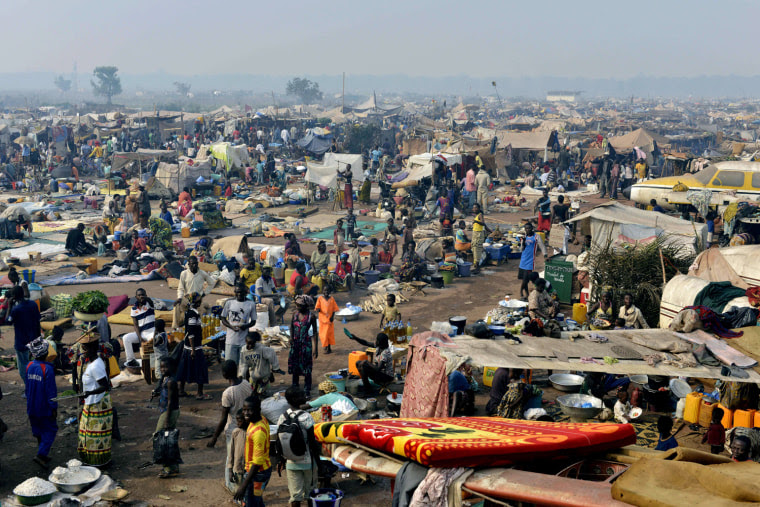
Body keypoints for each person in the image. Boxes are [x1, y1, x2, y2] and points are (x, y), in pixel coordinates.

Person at [208, 360, 254, 490]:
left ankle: (231, 486)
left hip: (233, 429)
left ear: (224, 375)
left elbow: (223, 419)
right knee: (244, 456)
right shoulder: (246, 383)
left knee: (232, 459)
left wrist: (214, 438)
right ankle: (246, 483)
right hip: (247, 426)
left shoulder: (227, 393)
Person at [276, 386, 321, 507]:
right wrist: (319, 463)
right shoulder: (306, 417)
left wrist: (281, 460)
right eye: (302, 395)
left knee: (295, 496)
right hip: (308, 462)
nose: (305, 397)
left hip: (291, 462)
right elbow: (312, 443)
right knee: (311, 493)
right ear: (296, 399)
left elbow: (280, 442)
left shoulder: (282, 417)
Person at [77, 333, 112, 466]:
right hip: (91, 402)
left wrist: (89, 393)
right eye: (82, 348)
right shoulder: (91, 363)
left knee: (96, 437)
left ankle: (98, 463)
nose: (82, 352)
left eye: (84, 348)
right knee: (87, 434)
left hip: (98, 404)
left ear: (92, 349)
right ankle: (89, 460)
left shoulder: (96, 365)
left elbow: (105, 386)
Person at [25, 337, 58, 468]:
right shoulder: (47, 369)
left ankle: (42, 452)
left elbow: (27, 387)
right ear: (45, 353)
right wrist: (53, 407)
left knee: (38, 430)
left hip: (31, 405)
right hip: (44, 407)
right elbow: (51, 392)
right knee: (50, 429)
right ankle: (41, 455)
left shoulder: (29, 366)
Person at [234, 396, 272, 506]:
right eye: (244, 409)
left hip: (257, 473)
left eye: (249, 410)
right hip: (259, 471)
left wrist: (243, 486)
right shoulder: (259, 419)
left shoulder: (258, 432)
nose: (245, 413)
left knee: (250, 503)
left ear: (258, 410)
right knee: (257, 501)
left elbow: (257, 463)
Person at [177, 293, 210, 400]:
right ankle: (199, 393)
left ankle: (181, 390)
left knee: (184, 368)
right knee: (201, 369)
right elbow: (191, 333)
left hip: (189, 346)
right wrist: (193, 349)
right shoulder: (193, 315)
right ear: (198, 302)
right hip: (194, 347)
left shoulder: (189, 313)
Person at [6, 285, 41, 387]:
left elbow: (8, 321)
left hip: (21, 342)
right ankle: (36, 386)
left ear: (14, 297)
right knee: (35, 365)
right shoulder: (33, 304)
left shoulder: (16, 309)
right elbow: (38, 321)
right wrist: (38, 338)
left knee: (23, 369)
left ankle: (30, 389)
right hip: (34, 340)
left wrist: (9, 306)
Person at [155, 357, 181, 478]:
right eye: (161, 367)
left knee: (161, 438)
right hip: (167, 411)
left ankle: (168, 468)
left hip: (169, 412)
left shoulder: (171, 381)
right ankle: (174, 466)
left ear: (171, 368)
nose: (163, 369)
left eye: (165, 367)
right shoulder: (165, 379)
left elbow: (170, 402)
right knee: (168, 439)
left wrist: (166, 420)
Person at [173, 255, 215, 328]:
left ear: (197, 264)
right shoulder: (184, 274)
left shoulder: (202, 273)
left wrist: (204, 293)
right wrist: (179, 298)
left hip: (197, 300)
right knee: (177, 305)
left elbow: (212, 283)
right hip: (187, 298)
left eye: (195, 263)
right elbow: (180, 288)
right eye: (191, 264)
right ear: (189, 264)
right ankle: (175, 326)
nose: (194, 265)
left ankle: (201, 329)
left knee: (203, 312)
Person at [346, 332, 393, 396]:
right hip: (380, 373)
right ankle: (367, 388)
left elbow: (378, 368)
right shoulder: (379, 347)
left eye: (376, 340)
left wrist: (367, 362)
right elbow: (365, 343)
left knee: (363, 365)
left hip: (386, 376)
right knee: (358, 363)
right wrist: (355, 338)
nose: (375, 341)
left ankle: (368, 390)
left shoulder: (385, 353)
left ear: (379, 342)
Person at [289, 296, 318, 396]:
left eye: (300, 305)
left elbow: (314, 333)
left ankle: (307, 389)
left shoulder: (311, 317)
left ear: (306, 306)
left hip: (306, 344)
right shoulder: (294, 314)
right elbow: (291, 327)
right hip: (295, 344)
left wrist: (315, 349)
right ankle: (295, 386)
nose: (297, 307)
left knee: (307, 367)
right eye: (297, 305)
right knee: (295, 366)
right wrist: (291, 338)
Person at [222, 284, 257, 366]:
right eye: (237, 292)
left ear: (246, 293)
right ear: (235, 292)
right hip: (231, 340)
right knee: (230, 365)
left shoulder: (251, 304)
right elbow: (223, 318)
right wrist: (231, 327)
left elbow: (253, 321)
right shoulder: (229, 302)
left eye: (242, 292)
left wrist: (245, 326)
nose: (239, 294)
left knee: (243, 366)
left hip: (244, 341)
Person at [239, 331, 282, 395]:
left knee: (261, 393)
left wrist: (275, 367)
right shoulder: (244, 350)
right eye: (248, 343)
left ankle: (269, 376)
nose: (250, 346)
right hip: (253, 376)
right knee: (252, 392)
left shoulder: (262, 349)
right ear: (245, 341)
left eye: (252, 344)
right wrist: (241, 375)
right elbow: (243, 364)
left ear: (255, 343)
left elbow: (272, 353)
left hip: (263, 375)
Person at [123, 288, 155, 368]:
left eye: (143, 295)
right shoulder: (133, 309)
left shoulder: (149, 304)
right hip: (141, 333)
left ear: (146, 296)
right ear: (136, 297)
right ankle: (130, 360)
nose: (141, 296)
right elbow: (135, 325)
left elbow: (150, 301)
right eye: (139, 295)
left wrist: (146, 298)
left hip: (151, 332)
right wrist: (140, 338)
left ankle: (153, 363)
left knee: (154, 340)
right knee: (126, 338)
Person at [518, 223, 547, 299]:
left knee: (526, 279)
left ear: (532, 229)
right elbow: (521, 249)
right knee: (524, 279)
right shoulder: (524, 237)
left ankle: (521, 291)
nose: (527, 230)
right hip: (523, 260)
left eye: (529, 228)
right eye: (526, 229)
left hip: (530, 261)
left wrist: (545, 255)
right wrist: (523, 242)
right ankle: (527, 293)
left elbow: (542, 246)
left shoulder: (536, 237)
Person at [227, 410, 248, 492]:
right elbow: (231, 452)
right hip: (238, 468)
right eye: (237, 421)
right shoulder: (235, 432)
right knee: (238, 489)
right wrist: (230, 470)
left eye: (240, 421)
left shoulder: (251, 432)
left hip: (248, 468)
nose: (237, 423)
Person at [315, 286, 338, 354]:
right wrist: (318, 309)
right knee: (323, 334)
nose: (326, 292)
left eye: (328, 291)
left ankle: (329, 348)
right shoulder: (320, 298)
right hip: (322, 320)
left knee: (328, 334)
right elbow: (317, 307)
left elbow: (334, 309)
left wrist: (332, 317)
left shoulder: (332, 299)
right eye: (325, 291)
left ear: (330, 292)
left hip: (329, 321)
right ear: (322, 291)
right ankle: (325, 345)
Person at [471, 203, 491, 273]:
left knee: (477, 249)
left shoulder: (480, 215)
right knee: (474, 248)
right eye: (473, 208)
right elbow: (484, 225)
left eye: (476, 208)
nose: (474, 209)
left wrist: (476, 221)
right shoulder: (476, 215)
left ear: (479, 208)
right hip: (475, 233)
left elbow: (482, 223)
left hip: (479, 234)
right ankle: (475, 265)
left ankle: (477, 267)